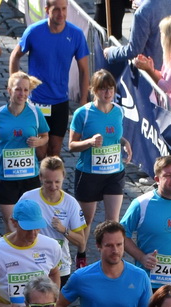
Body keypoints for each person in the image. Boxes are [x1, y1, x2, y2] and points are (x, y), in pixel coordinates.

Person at [10, 0, 91, 158]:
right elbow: (14, 56)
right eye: (56, 10)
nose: (61, 14)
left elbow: (84, 69)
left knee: (55, 152)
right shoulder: (34, 31)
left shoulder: (76, 34)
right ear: (47, 10)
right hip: (37, 102)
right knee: (40, 152)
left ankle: (51, 182)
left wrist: (82, 101)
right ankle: (37, 181)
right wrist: (15, 87)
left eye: (64, 9)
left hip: (60, 101)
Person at [120, 156, 171, 291]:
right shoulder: (141, 204)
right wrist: (141, 257)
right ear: (157, 179)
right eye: (168, 175)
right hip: (148, 284)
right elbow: (121, 235)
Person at [66, 70, 128, 235]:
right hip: (89, 174)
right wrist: (90, 142)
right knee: (85, 222)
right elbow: (71, 145)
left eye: (111, 89)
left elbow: (114, 137)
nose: (108, 93)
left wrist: (125, 142)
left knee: (112, 222)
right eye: (103, 89)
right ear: (93, 90)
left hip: (114, 173)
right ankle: (81, 255)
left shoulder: (119, 111)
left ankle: (108, 258)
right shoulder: (83, 113)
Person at [0, 73, 49, 233]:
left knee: (31, 224)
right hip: (6, 177)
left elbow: (45, 136)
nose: (22, 94)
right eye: (18, 90)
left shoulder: (36, 113)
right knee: (12, 226)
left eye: (25, 90)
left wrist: (38, 142)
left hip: (29, 178)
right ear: (9, 90)